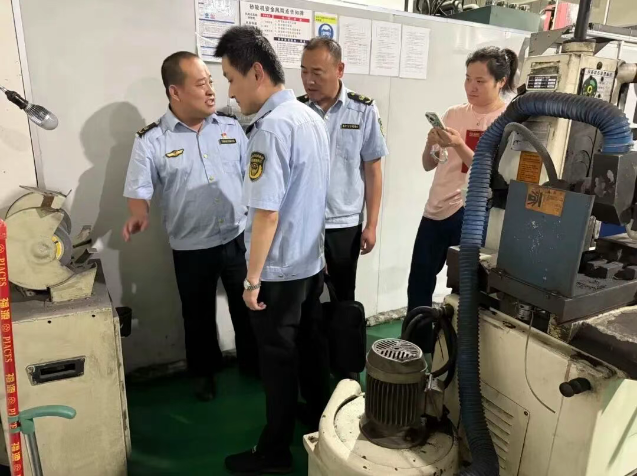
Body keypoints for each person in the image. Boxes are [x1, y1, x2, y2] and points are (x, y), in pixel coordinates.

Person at [214, 26, 331, 474]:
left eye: (231, 78)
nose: (230, 91)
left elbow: (266, 215)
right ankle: (321, 420)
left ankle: (275, 451)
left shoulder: (271, 129)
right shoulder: (309, 117)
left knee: (278, 362)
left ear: (257, 73)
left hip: (278, 271)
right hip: (309, 262)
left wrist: (251, 281)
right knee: (310, 349)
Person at [122, 51, 258, 401]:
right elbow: (139, 190)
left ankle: (253, 363)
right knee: (197, 317)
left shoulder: (230, 127)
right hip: (191, 246)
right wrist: (139, 213)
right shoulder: (152, 140)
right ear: (175, 92)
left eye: (211, 82)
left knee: (248, 307)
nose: (212, 90)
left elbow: (254, 176)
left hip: (237, 236)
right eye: (201, 84)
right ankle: (204, 373)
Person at [408, 46, 518, 353]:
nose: (471, 86)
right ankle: (415, 347)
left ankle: (454, 351)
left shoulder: (507, 121)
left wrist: (458, 145)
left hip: (472, 213)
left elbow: (493, 174)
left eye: (480, 81)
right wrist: (432, 144)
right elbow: (429, 164)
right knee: (419, 281)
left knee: (463, 287)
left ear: (501, 81)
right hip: (435, 208)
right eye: (468, 78)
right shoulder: (454, 114)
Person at [298, 37, 387, 302]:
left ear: (339, 70)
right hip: (303, 223)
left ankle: (342, 332)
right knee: (305, 296)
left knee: (343, 295)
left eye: (317, 73)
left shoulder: (363, 110)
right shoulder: (296, 111)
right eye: (304, 71)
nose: (309, 80)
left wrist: (371, 225)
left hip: (344, 225)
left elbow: (373, 170)